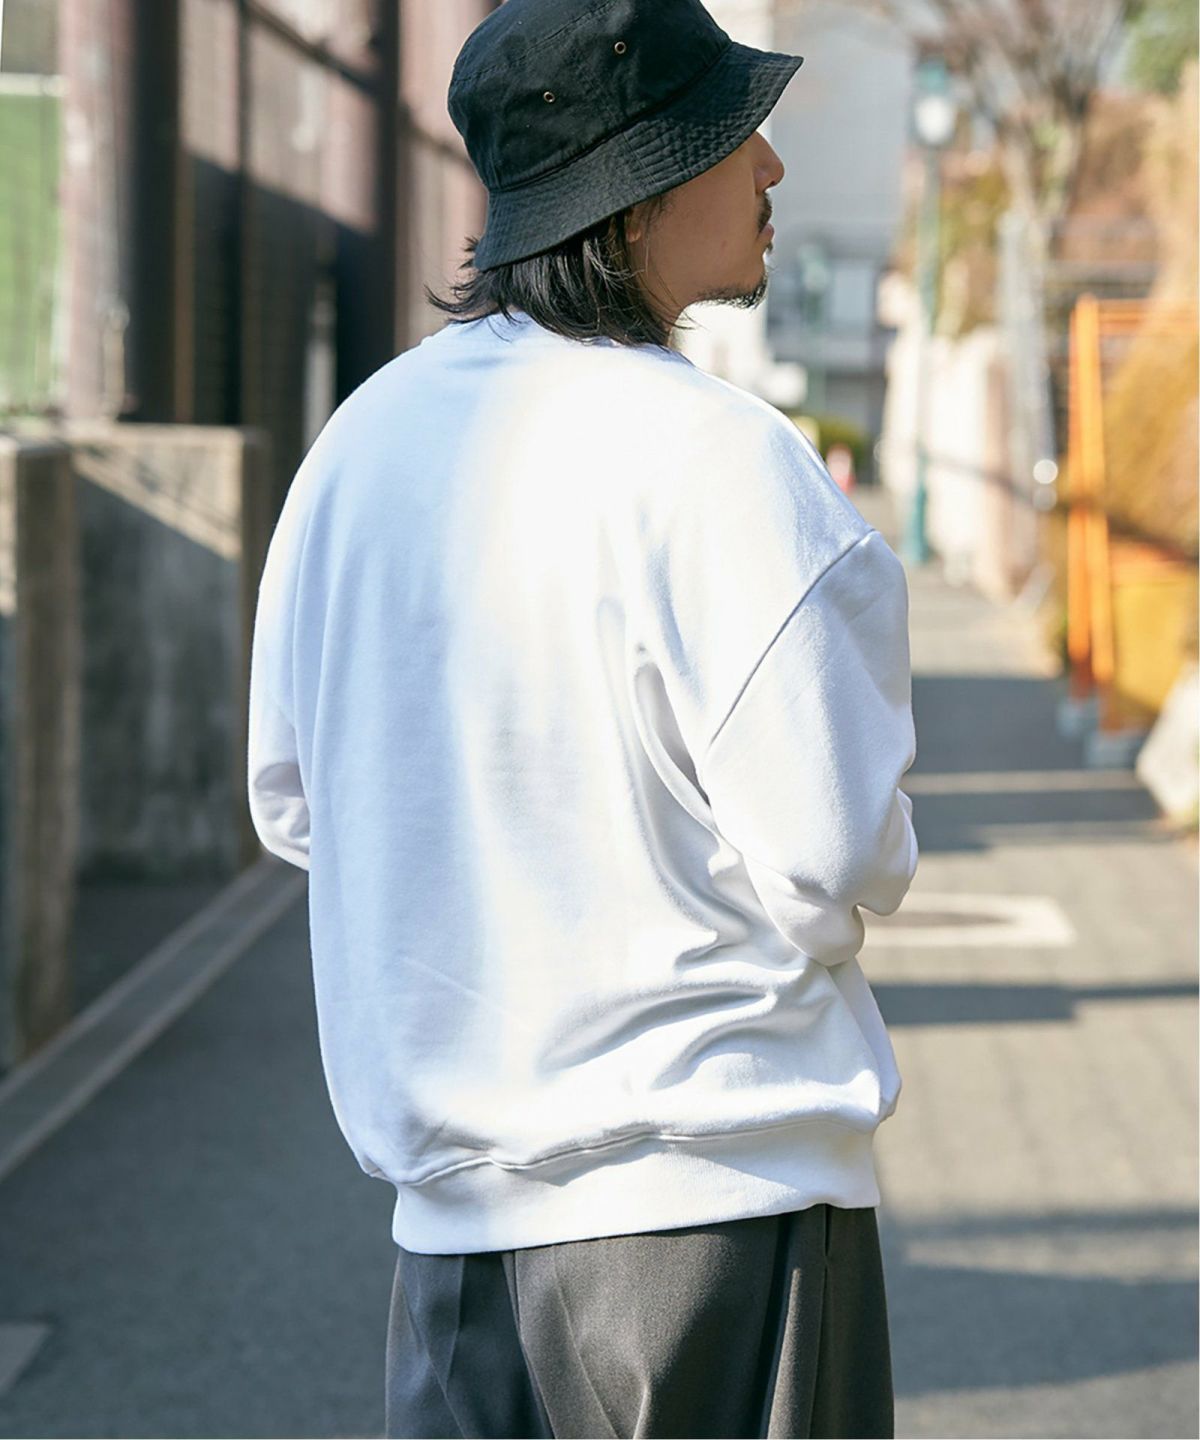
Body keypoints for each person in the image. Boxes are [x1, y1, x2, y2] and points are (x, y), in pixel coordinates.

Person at [246, 0, 919, 1434]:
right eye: (734, 133)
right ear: (641, 182)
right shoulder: (723, 460)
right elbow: (837, 853)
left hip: (453, 1238)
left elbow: (297, 802)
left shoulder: (357, 449)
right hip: (718, 1211)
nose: (771, 166)